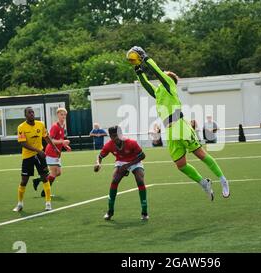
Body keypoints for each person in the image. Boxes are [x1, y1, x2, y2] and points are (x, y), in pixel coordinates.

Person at [128, 46, 230, 200]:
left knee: (200, 154)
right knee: (180, 165)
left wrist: (146, 58)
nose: (161, 78)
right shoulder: (159, 93)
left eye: (164, 76)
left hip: (180, 125)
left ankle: (223, 180)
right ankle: (203, 183)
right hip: (169, 130)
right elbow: (146, 84)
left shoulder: (169, 86)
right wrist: (138, 68)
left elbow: (157, 72)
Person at [94, 126, 149, 220]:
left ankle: (144, 212)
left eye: (117, 135)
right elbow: (100, 156)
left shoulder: (131, 143)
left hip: (135, 161)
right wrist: (98, 164)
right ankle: (110, 211)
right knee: (114, 180)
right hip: (120, 162)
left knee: (140, 180)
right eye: (112, 136)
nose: (115, 138)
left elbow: (142, 156)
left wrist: (128, 165)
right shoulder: (109, 145)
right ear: (110, 136)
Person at [12, 107, 60, 212]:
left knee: (45, 178)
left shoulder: (40, 124)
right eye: (29, 113)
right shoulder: (21, 127)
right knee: (24, 181)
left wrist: (55, 148)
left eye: (33, 112)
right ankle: (20, 203)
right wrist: (38, 150)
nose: (32, 114)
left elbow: (46, 137)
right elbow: (22, 143)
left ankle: (48, 203)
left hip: (40, 156)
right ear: (25, 115)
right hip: (28, 157)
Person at [32, 108, 71, 197]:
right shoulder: (55, 126)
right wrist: (63, 142)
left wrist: (65, 146)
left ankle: (38, 180)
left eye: (65, 115)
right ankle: (45, 192)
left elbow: (60, 140)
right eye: (61, 114)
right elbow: (51, 140)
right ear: (57, 115)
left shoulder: (63, 125)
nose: (63, 116)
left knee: (58, 173)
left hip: (57, 153)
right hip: (51, 152)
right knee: (53, 173)